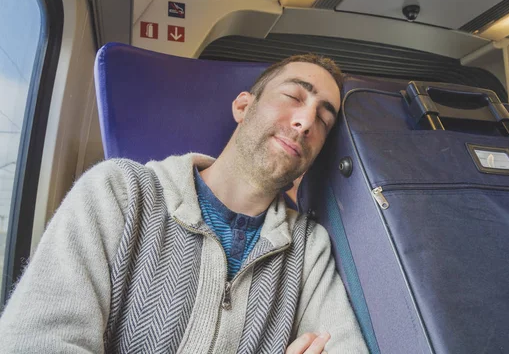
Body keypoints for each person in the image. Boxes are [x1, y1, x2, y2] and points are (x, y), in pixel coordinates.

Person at [0, 54, 368, 353]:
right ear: (243, 106)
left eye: (323, 118)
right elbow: (31, 343)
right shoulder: (119, 192)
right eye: (293, 97)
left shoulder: (309, 248)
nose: (305, 122)